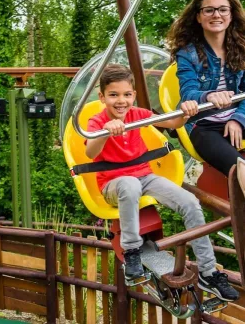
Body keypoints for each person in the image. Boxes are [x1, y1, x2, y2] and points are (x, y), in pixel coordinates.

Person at [85, 63, 238, 301]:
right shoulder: (97, 122)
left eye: (126, 95)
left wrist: (187, 112)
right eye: (113, 95)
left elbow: (173, 123)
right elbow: (90, 153)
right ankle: (132, 250)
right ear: (102, 97)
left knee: (189, 201)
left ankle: (208, 271)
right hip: (114, 184)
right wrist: (105, 132)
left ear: (133, 96)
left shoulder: (137, 114)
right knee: (130, 185)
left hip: (144, 177)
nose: (121, 101)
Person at [168, 0, 245, 177]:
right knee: (240, 170)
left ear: (231, 14)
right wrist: (210, 95)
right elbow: (188, 92)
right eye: (209, 10)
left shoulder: (242, 50)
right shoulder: (187, 54)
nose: (216, 15)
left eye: (222, 9)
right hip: (204, 124)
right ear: (199, 17)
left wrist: (238, 119)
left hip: (237, 115)